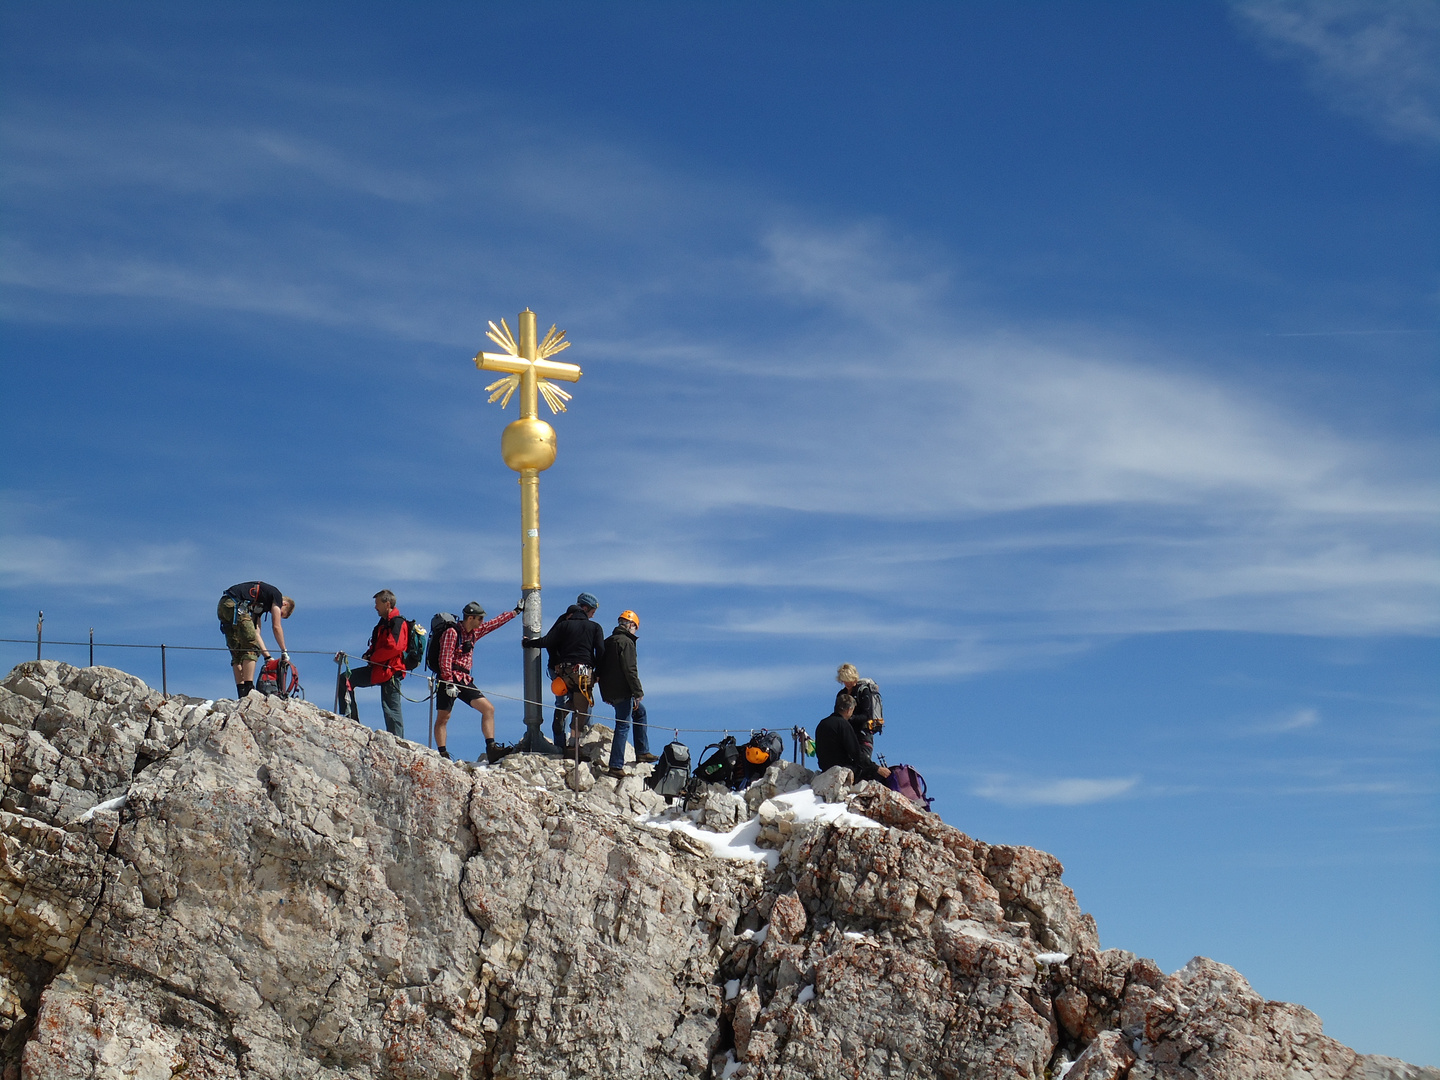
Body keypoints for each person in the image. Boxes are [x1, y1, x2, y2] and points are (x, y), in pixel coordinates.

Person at [435, 601, 520, 764]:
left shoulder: (474, 632)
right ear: (470, 617)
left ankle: (491, 748)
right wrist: (448, 681)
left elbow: (494, 624)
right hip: (450, 679)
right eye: (479, 618)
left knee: (488, 709)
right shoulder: (452, 633)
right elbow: (444, 658)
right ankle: (442, 753)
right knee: (444, 717)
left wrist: (515, 612)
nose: (481, 622)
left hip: (465, 679)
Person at [523, 591, 604, 751]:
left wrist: (528, 643)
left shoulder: (563, 624)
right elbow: (600, 651)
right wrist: (598, 672)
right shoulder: (594, 627)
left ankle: (561, 722)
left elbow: (547, 641)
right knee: (582, 709)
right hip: (583, 672)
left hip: (563, 672)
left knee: (563, 703)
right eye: (592, 612)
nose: (593, 616)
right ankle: (575, 745)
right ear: (586, 609)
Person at [335, 590, 408, 739]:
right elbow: (378, 645)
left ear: (387, 604)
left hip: (391, 671)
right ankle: (351, 720)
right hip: (378, 669)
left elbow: (394, 647)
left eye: (377, 604)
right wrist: (368, 655)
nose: (375, 607)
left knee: (391, 710)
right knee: (346, 679)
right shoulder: (383, 624)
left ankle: (398, 742)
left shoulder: (398, 622)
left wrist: (373, 657)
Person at [598, 609, 653, 778]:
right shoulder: (626, 643)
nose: (635, 630)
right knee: (623, 725)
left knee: (640, 712)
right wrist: (637, 692)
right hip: (623, 690)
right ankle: (615, 765)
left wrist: (605, 694)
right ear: (630, 625)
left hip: (611, 691)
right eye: (635, 627)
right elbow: (630, 670)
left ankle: (642, 752)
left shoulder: (608, 642)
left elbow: (600, 669)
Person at [218, 581, 294, 698]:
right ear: (283, 604)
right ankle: (249, 689)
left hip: (224, 606)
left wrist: (267, 657)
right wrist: (284, 650)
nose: (275, 613)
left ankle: (241, 692)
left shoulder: (260, 603)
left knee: (237, 652)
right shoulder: (276, 595)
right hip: (235, 606)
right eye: (281, 613)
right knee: (251, 648)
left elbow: (255, 632)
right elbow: (276, 626)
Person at [815, 693, 890, 783]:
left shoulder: (822, 724)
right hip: (843, 770)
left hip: (825, 768)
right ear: (849, 710)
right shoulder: (843, 725)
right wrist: (877, 768)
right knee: (877, 776)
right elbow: (856, 753)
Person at [835, 662, 883, 754]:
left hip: (862, 734)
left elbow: (866, 715)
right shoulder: (841, 694)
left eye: (849, 679)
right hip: (846, 735)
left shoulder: (863, 691)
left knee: (862, 764)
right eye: (845, 680)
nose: (848, 682)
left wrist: (849, 718)